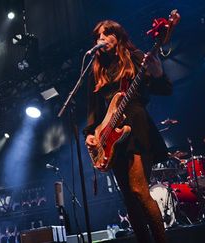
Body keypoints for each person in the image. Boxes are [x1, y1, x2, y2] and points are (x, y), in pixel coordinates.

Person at [83, 20, 173, 243]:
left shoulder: (135, 57)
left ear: (118, 37)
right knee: (129, 200)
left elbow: (164, 90)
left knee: (139, 191)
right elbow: (94, 109)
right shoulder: (96, 70)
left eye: (107, 34)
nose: (101, 39)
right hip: (112, 135)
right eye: (98, 36)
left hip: (137, 125)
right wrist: (91, 134)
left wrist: (159, 73)